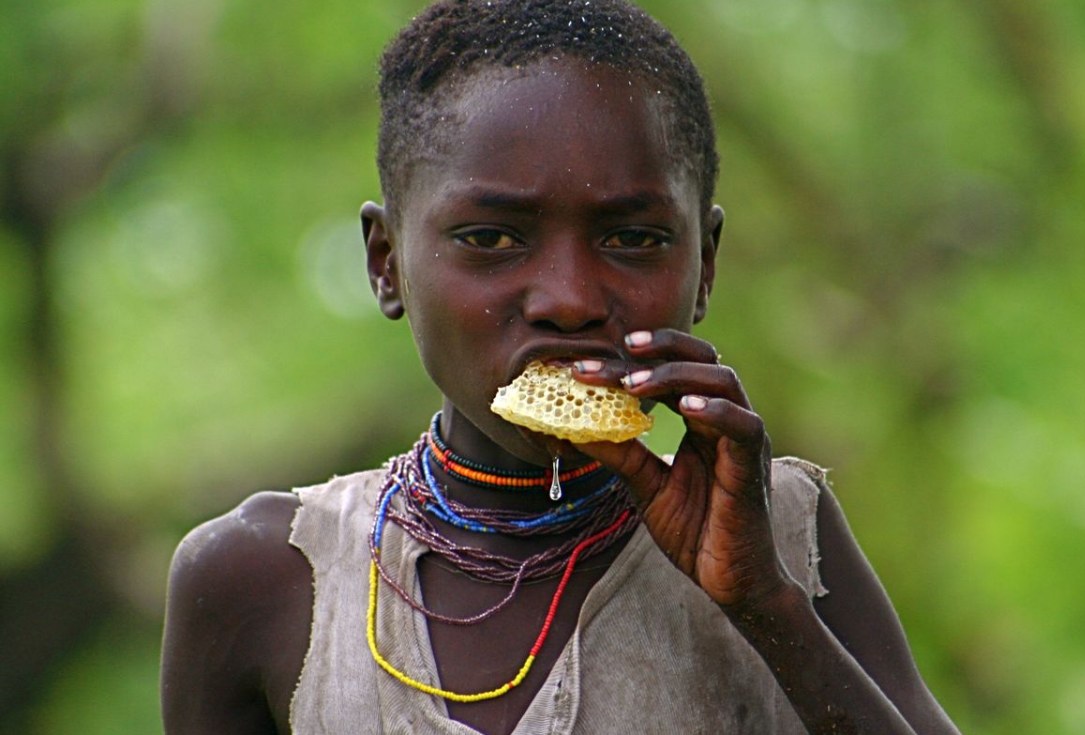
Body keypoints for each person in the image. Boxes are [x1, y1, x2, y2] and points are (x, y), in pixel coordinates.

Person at [160, 1, 961, 733]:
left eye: (633, 239)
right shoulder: (267, 576)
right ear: (387, 264)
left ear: (706, 266)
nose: (571, 299)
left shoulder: (783, 531)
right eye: (492, 238)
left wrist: (770, 609)